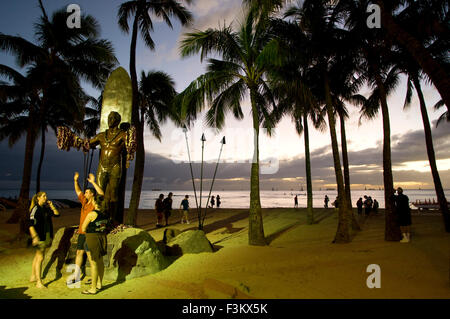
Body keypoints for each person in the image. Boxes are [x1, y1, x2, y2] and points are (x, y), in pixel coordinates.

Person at [87, 111, 133, 226]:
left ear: (117, 121)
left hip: (115, 167)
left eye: (112, 118)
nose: (109, 120)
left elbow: (131, 145)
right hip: (102, 166)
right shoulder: (101, 135)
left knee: (113, 194)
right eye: (109, 118)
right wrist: (78, 141)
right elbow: (88, 143)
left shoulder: (123, 135)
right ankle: (97, 216)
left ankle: (112, 219)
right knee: (99, 192)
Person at [68, 172, 104, 285]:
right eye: (86, 192)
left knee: (91, 257)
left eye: (87, 192)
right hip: (82, 233)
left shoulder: (94, 204)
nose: (85, 193)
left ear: (92, 194)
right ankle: (76, 275)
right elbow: (78, 190)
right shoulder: (84, 201)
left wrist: (93, 182)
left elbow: (101, 193)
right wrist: (75, 180)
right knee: (79, 253)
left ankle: (95, 278)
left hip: (90, 233)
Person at [28, 192, 60, 288]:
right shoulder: (35, 209)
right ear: (38, 198)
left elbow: (57, 214)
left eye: (46, 196)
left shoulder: (45, 208)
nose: (46, 197)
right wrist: (34, 237)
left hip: (46, 236)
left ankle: (33, 276)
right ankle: (39, 282)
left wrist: (51, 205)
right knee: (41, 258)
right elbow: (30, 224)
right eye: (44, 196)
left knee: (37, 256)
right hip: (39, 236)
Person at [81, 195, 109, 294]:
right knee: (100, 262)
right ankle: (99, 284)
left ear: (95, 203)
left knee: (93, 264)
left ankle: (93, 288)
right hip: (102, 238)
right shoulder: (105, 214)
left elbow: (83, 228)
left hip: (92, 238)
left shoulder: (92, 214)